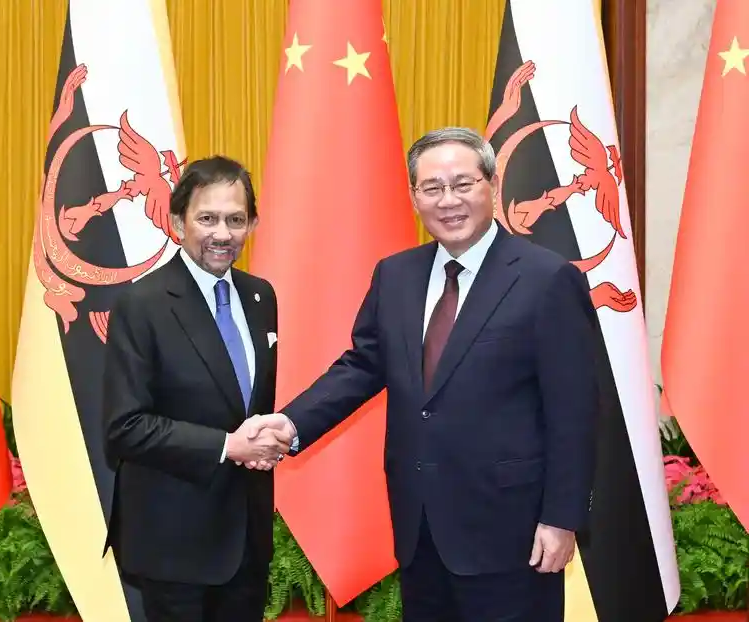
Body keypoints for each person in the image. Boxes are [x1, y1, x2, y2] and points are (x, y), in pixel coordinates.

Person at [246, 128, 600, 621]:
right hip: (420, 529)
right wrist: (290, 423)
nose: (448, 200)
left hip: (512, 532)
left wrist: (561, 518)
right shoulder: (396, 275)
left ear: (493, 185)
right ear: (414, 197)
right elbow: (363, 366)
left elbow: (575, 412)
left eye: (462, 184)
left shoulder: (547, 278)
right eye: (432, 188)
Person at [101, 155, 289, 622]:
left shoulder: (261, 296)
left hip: (246, 542)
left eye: (235, 220)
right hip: (173, 545)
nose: (222, 233)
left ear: (253, 225)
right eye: (207, 219)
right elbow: (125, 427)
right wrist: (228, 446)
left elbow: (249, 404)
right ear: (177, 222)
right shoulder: (141, 303)